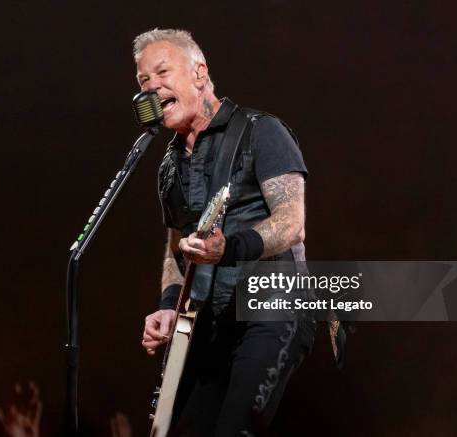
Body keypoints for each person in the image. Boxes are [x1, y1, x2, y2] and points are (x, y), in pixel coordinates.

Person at [136, 28, 316, 436]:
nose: (151, 87)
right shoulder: (168, 166)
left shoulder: (261, 131)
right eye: (143, 81)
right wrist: (167, 305)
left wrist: (229, 248)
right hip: (207, 319)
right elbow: (174, 252)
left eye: (162, 72)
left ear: (199, 72)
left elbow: (291, 223)